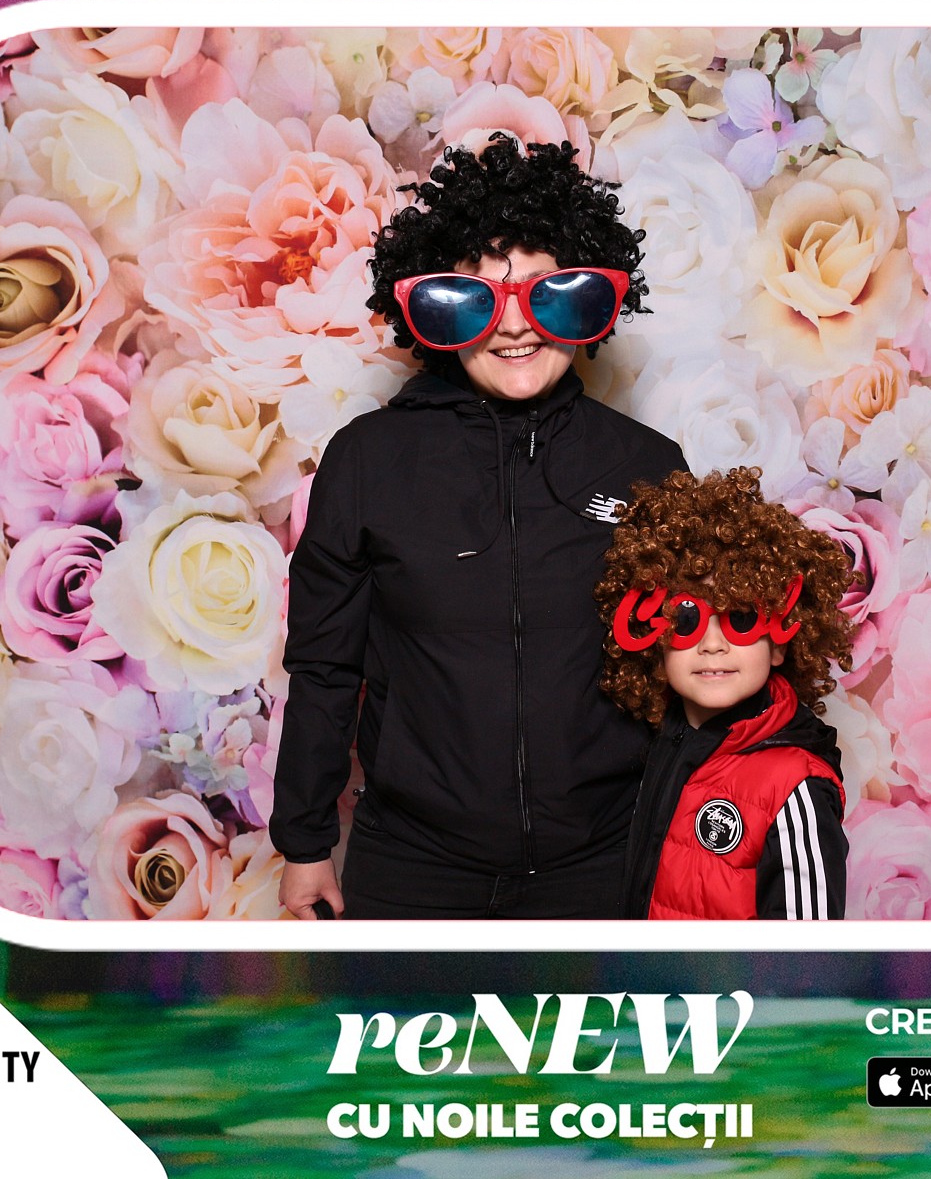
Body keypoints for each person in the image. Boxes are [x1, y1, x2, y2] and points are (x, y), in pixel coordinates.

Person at [271, 135, 687, 919]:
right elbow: (325, 667)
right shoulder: (368, 461)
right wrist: (304, 845)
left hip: (607, 862)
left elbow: (694, 667)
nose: (515, 326)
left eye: (545, 293)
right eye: (478, 298)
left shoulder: (647, 466)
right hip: (415, 867)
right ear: (437, 311)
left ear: (587, 302)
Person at [597, 468, 856, 920]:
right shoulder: (657, 746)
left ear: (780, 644)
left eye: (741, 619)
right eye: (686, 620)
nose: (712, 644)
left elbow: (807, 953)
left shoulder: (795, 787)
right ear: (655, 641)